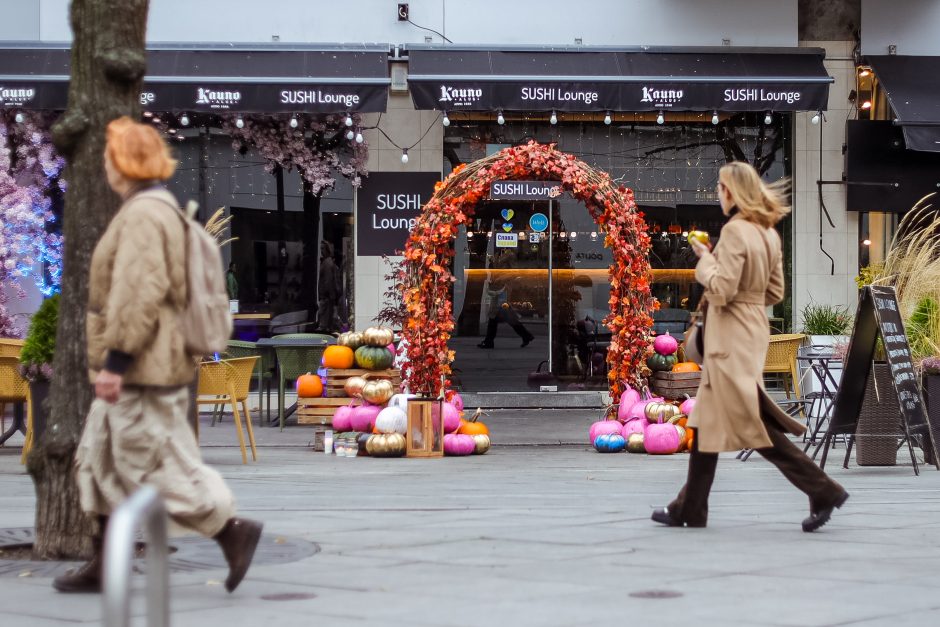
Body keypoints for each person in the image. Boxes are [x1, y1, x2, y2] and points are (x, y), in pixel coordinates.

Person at [54, 117, 263, 593]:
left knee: (148, 467)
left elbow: (138, 293)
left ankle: (231, 531)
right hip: (144, 367)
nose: (106, 165)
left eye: (110, 156)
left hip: (142, 371)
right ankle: (105, 563)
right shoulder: (152, 210)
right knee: (100, 460)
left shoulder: (145, 215)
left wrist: (115, 364)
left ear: (122, 162)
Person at [651, 161, 848, 532]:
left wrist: (705, 262)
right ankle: (688, 507)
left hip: (729, 336)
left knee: (750, 427)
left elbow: (722, 290)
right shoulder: (768, 234)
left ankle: (824, 489)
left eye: (721, 189)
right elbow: (775, 292)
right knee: (708, 424)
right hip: (751, 330)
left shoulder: (737, 232)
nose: (718, 196)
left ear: (733, 192)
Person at [477, 258, 534, 349]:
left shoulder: (504, 270)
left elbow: (505, 281)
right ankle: (526, 336)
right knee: (502, 320)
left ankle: (489, 342)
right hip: (501, 296)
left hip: (502, 297)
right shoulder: (502, 269)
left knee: (495, 319)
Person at [316, 240, 339, 333]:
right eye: (321, 248)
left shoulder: (327, 263)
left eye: (323, 248)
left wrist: (329, 295)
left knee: (324, 324)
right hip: (326, 297)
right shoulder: (326, 262)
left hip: (326, 297)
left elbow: (328, 281)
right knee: (325, 320)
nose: (321, 251)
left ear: (327, 249)